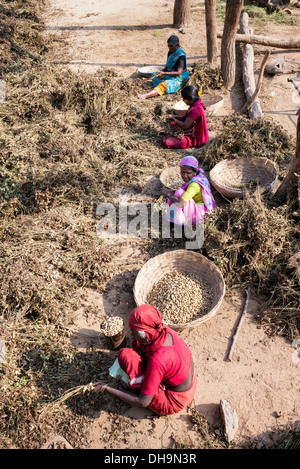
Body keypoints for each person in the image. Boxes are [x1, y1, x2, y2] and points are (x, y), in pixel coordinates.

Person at [93, 305, 197, 416]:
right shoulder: (164, 330)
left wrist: (107, 388)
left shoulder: (158, 359)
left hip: (174, 400)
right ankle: (143, 381)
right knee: (130, 351)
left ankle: (136, 386)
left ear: (145, 335)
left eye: (134, 332)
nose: (131, 335)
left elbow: (143, 401)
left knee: (128, 358)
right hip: (189, 381)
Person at [161, 155, 216, 226]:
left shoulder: (194, 185)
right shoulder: (198, 178)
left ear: (194, 172)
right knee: (177, 193)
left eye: (188, 173)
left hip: (199, 216)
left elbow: (180, 203)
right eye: (182, 172)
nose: (184, 175)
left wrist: (168, 194)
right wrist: (169, 192)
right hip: (200, 212)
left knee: (179, 193)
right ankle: (174, 219)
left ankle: (178, 223)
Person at [135, 35, 189, 100]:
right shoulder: (170, 52)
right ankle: (158, 89)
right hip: (171, 74)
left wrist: (164, 73)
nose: (169, 47)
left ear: (177, 45)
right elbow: (167, 68)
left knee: (165, 85)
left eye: (171, 46)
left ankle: (144, 96)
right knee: (154, 74)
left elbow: (178, 72)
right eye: (168, 45)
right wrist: (161, 72)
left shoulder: (181, 55)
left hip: (180, 78)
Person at [163, 85, 209, 149]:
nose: (183, 100)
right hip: (190, 131)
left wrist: (173, 119)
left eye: (184, 99)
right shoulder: (195, 105)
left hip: (194, 137)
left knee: (167, 141)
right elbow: (186, 117)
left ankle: (187, 142)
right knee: (173, 126)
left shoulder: (195, 109)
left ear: (190, 98)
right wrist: (174, 116)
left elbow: (185, 125)